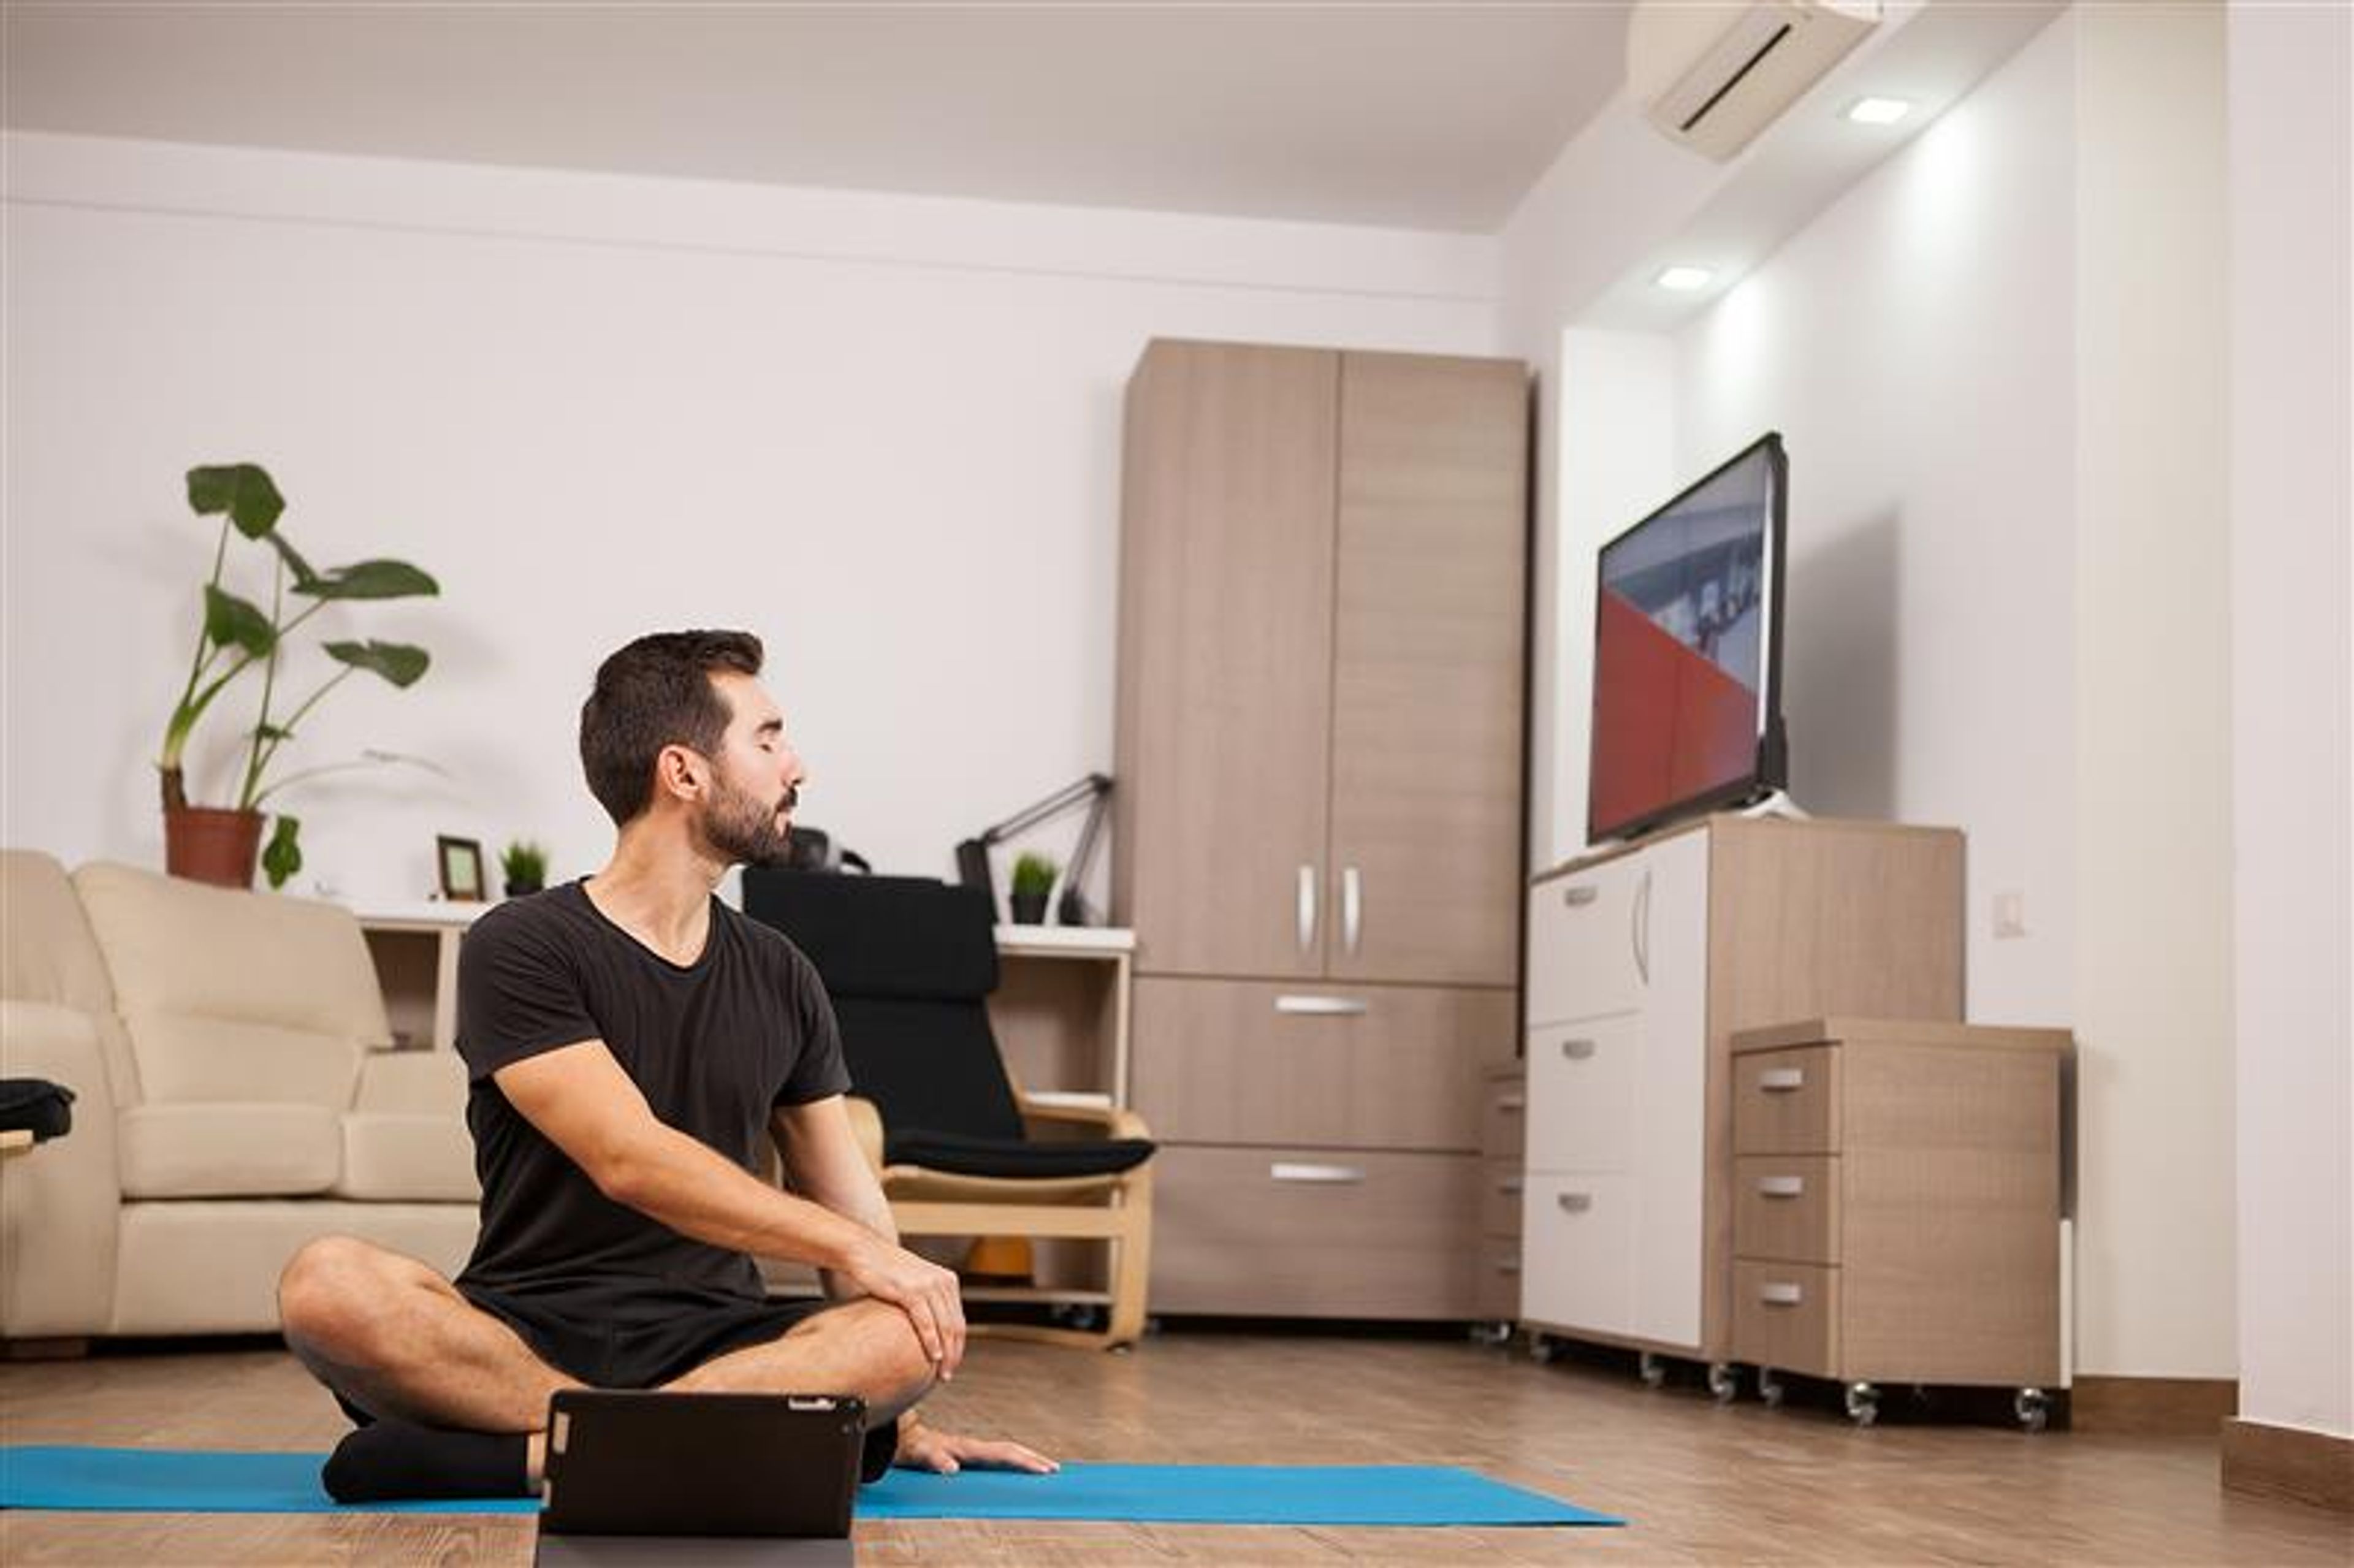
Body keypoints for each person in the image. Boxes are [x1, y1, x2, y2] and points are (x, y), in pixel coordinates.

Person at [278, 629, 1053, 1502]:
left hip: (718, 1338)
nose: (796, 765)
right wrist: (859, 1272)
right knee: (326, 1283)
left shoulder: (780, 971)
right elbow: (628, 1158)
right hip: (525, 1330)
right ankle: (683, 1443)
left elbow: (849, 1203)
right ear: (683, 772)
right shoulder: (522, 944)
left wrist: (902, 1400)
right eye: (767, 738)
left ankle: (530, 1454)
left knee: (903, 1335)